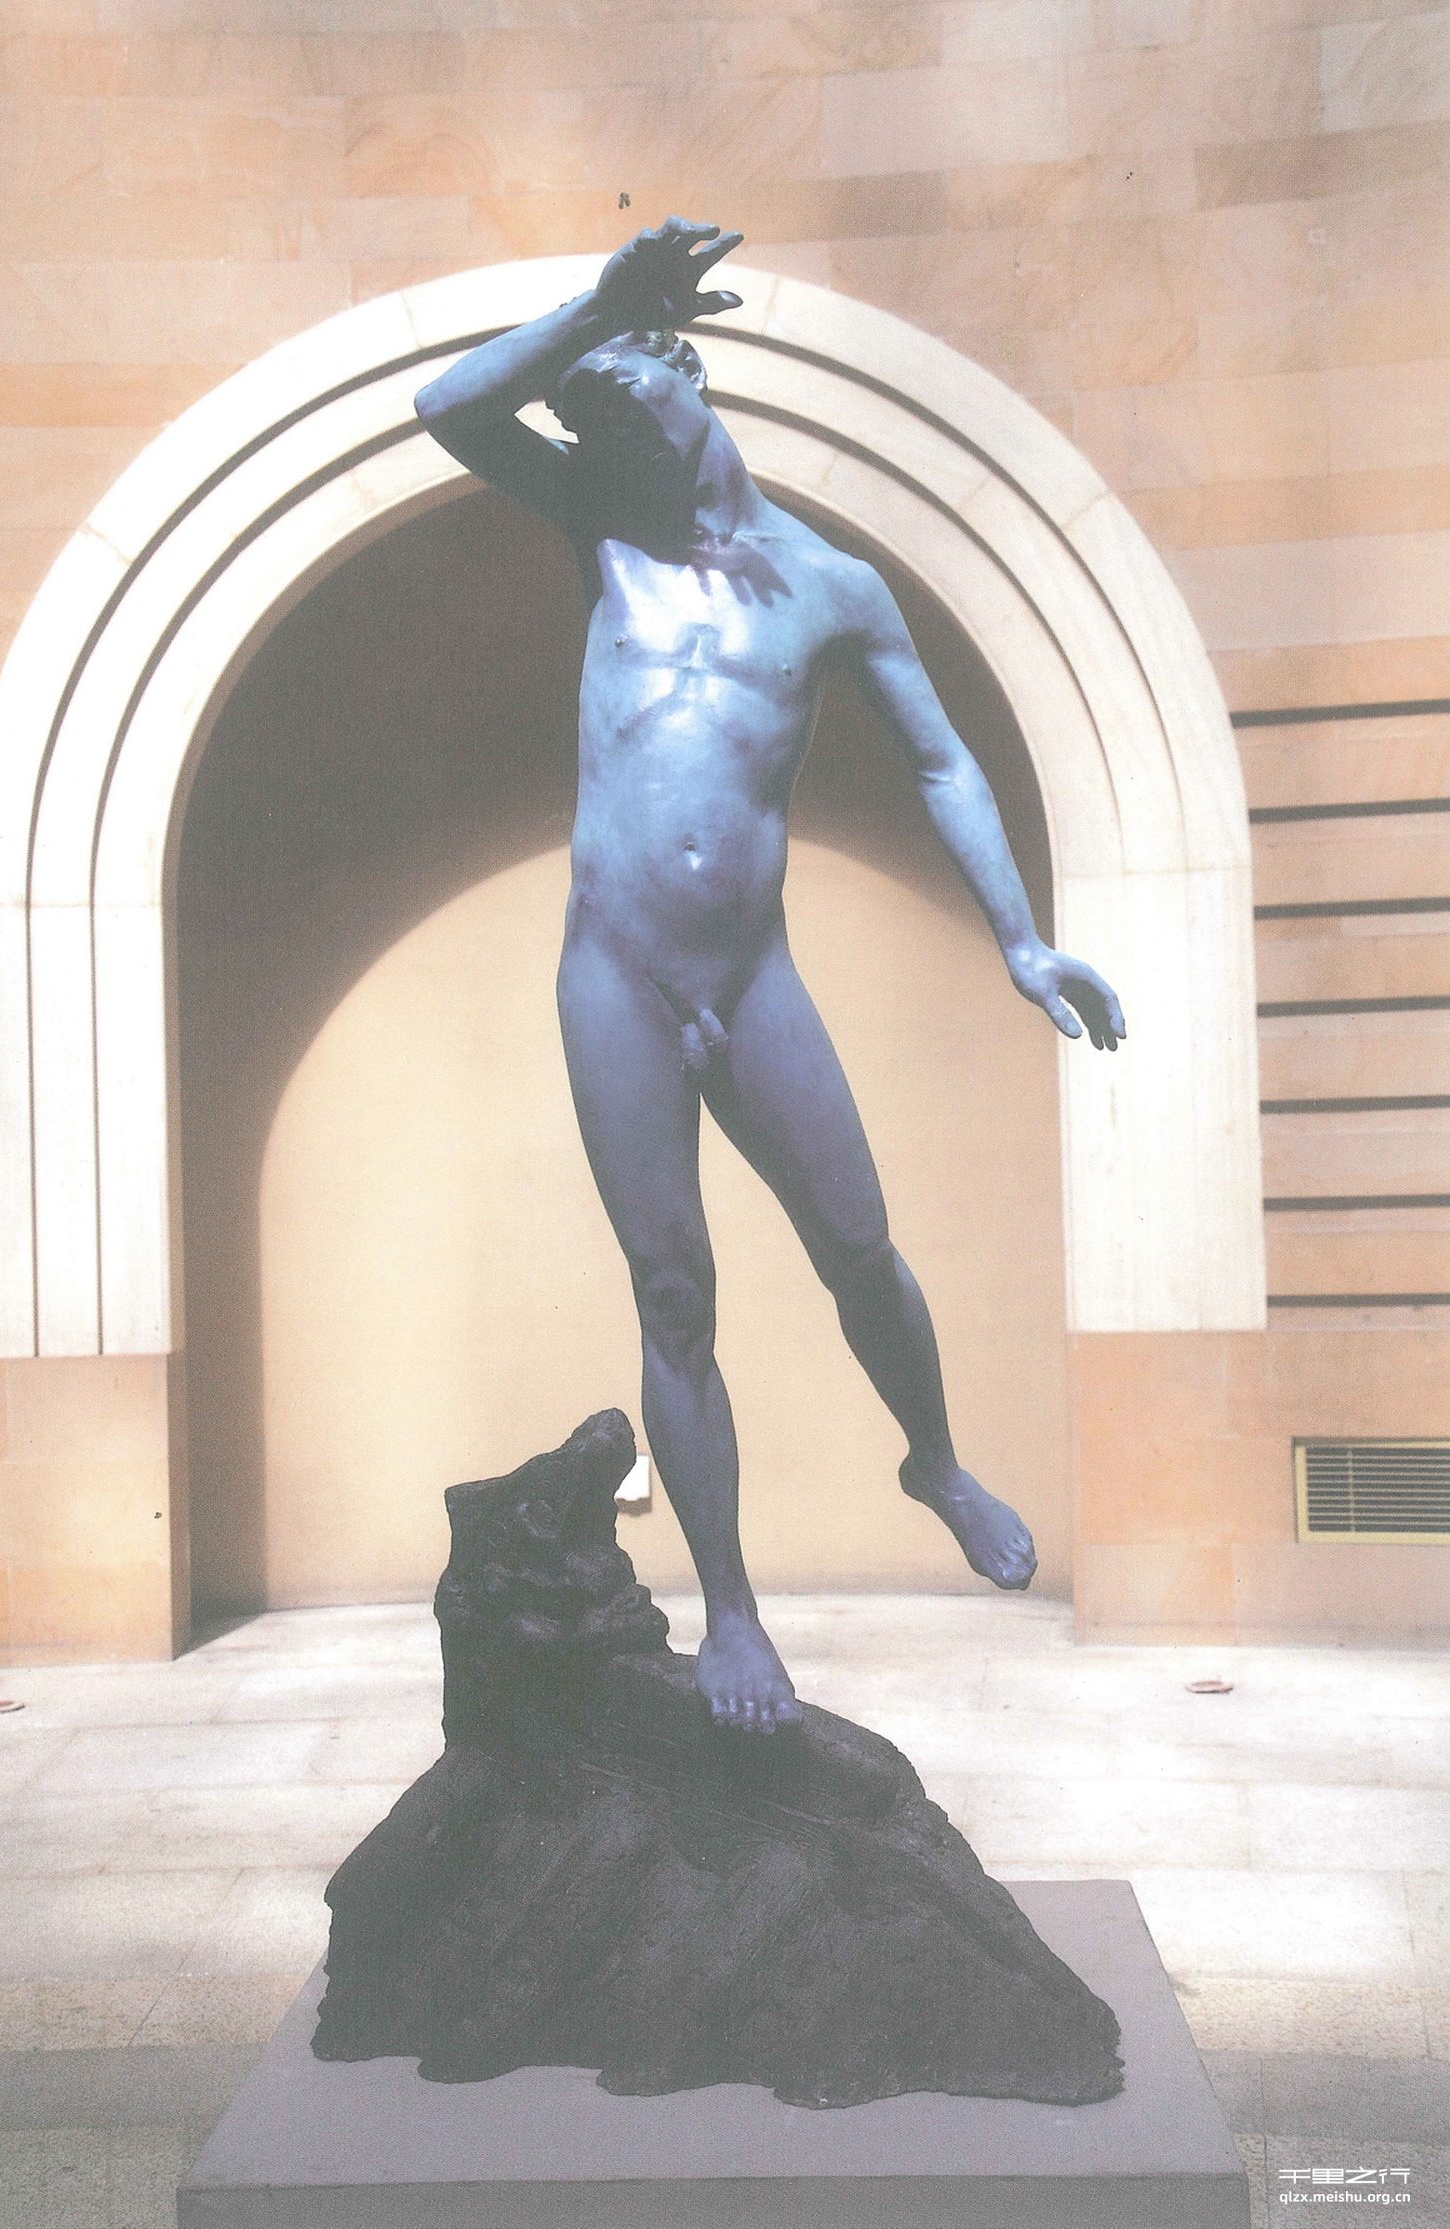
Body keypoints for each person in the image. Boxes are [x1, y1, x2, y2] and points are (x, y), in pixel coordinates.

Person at [414, 217, 1125, 1733]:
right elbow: (448, 407)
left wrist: (1020, 935)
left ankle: (934, 1460)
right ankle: (734, 1612)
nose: (597, 426)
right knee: (675, 1294)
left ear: (689, 375)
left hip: (751, 978)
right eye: (581, 410)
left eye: (620, 390)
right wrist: (591, 307)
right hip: (614, 975)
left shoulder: (833, 585)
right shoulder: (597, 521)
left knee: (860, 1248)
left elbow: (941, 761)